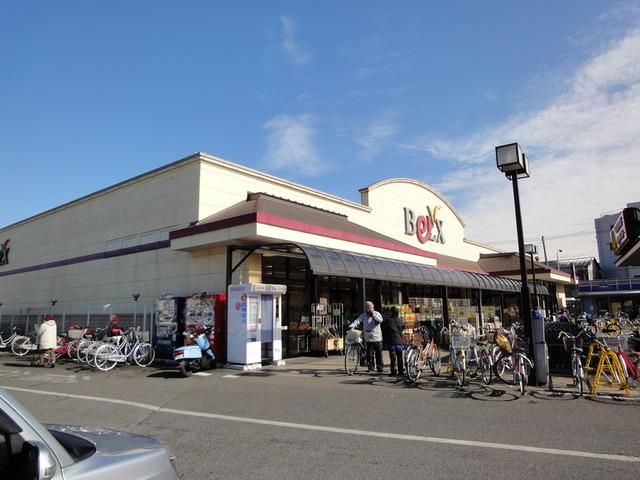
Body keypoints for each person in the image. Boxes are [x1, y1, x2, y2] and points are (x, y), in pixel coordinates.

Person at [349, 301, 384, 373]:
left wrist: (373, 315)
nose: (368, 309)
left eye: (370, 307)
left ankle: (380, 368)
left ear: (372, 307)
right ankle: (370, 368)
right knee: (369, 354)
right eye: (367, 308)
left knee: (378, 353)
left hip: (377, 337)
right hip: (368, 338)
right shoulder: (364, 315)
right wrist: (351, 326)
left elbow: (380, 320)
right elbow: (357, 321)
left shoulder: (377, 313)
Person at [382, 306, 404, 377]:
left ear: (391, 313)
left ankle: (393, 372)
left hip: (391, 341)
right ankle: (401, 372)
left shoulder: (388, 321)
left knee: (392, 357)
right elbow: (402, 328)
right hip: (399, 341)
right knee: (400, 357)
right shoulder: (400, 320)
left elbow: (384, 329)